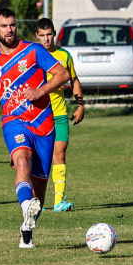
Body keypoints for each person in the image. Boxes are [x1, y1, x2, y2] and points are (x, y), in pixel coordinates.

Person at [0, 8, 70, 248]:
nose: (9, 30)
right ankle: (26, 207)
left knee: (40, 191)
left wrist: (39, 91)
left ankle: (27, 229)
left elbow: (62, 74)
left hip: (44, 124)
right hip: (13, 121)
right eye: (4, 26)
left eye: (12, 25)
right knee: (21, 161)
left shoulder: (34, 51)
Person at [34, 18, 85, 212]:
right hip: (39, 116)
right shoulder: (33, 55)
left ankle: (58, 201)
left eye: (49, 35)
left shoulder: (64, 55)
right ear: (37, 36)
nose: (46, 39)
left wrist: (80, 106)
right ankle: (36, 201)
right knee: (41, 159)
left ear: (54, 34)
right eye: (42, 36)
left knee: (59, 155)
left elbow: (74, 80)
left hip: (60, 114)